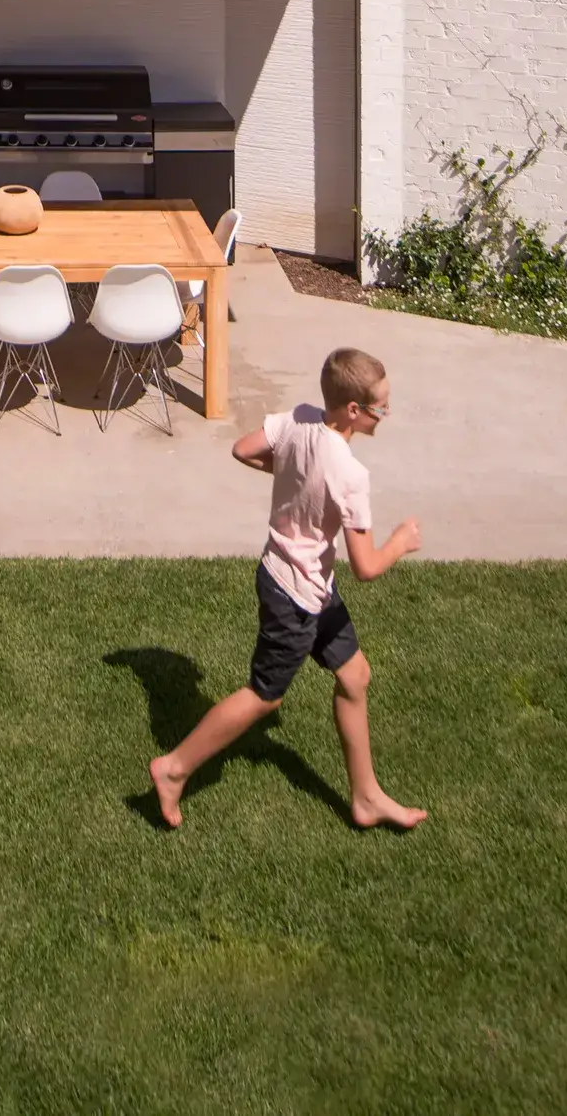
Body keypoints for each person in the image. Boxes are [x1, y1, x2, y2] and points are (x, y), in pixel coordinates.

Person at [150, 344, 427, 833]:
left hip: (311, 583)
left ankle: (366, 798)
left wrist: (295, 476)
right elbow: (366, 566)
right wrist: (400, 544)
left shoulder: (299, 419)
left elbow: (243, 448)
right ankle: (173, 769)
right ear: (354, 410)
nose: (388, 414)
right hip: (294, 593)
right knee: (265, 695)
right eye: (382, 407)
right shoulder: (350, 475)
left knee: (354, 676)